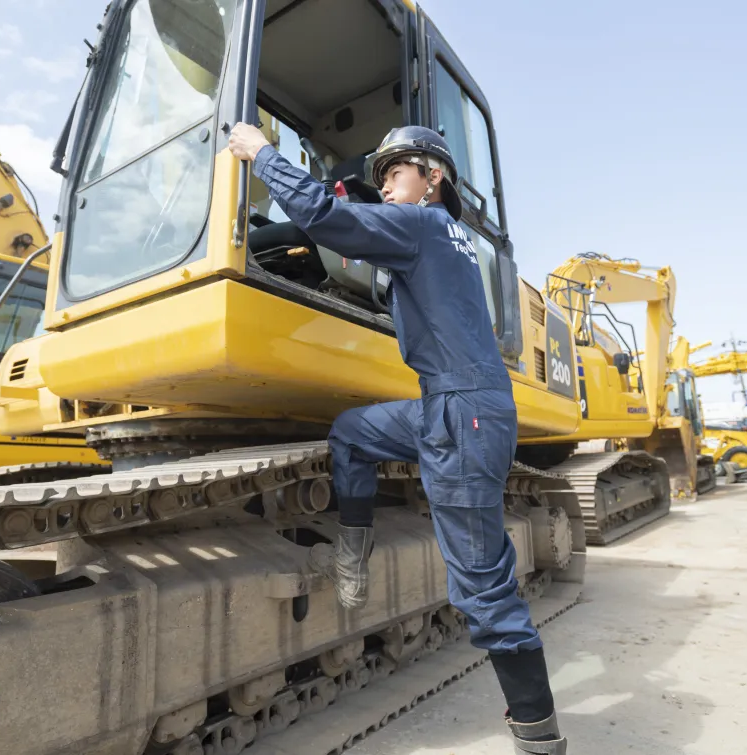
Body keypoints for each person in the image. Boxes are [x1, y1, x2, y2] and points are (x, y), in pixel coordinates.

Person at [229, 122, 566, 754]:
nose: (385, 185)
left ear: (433, 178)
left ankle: (540, 740)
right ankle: (352, 560)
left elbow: (320, 215)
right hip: (448, 405)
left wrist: (263, 154)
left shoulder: (425, 224)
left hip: (462, 414)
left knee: (483, 591)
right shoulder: (446, 238)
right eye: (380, 176)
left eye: (394, 173)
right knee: (352, 433)